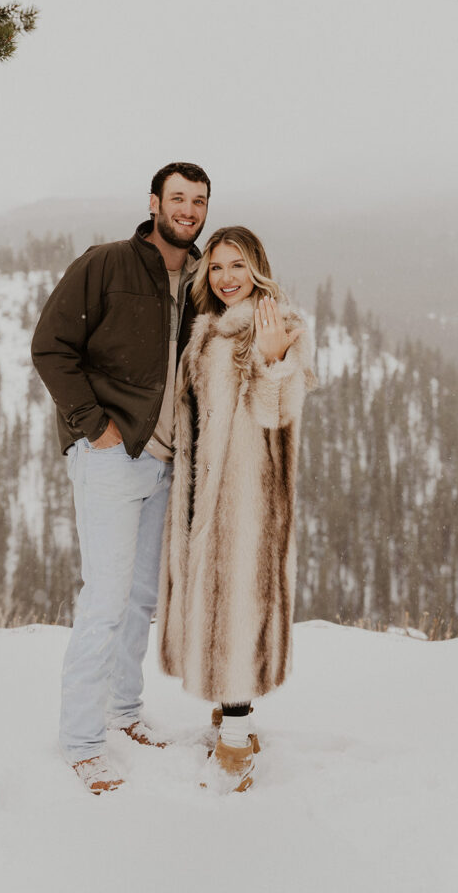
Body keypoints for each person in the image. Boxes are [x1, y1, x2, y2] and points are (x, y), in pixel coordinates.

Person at [31, 162, 211, 794]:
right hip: (112, 456)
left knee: (140, 599)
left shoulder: (199, 279)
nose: (188, 210)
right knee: (104, 601)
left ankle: (123, 711)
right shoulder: (107, 263)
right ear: (154, 202)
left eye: (199, 201)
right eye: (178, 198)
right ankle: (82, 742)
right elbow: (51, 346)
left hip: (163, 461)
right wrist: (91, 423)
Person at [157, 226, 316, 793]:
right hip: (203, 494)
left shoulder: (278, 328)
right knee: (213, 600)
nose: (226, 278)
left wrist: (272, 362)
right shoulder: (204, 333)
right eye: (217, 267)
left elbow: (278, 414)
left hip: (249, 498)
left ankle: (236, 738)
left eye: (237, 266)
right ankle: (233, 720)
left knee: (239, 604)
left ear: (258, 269)